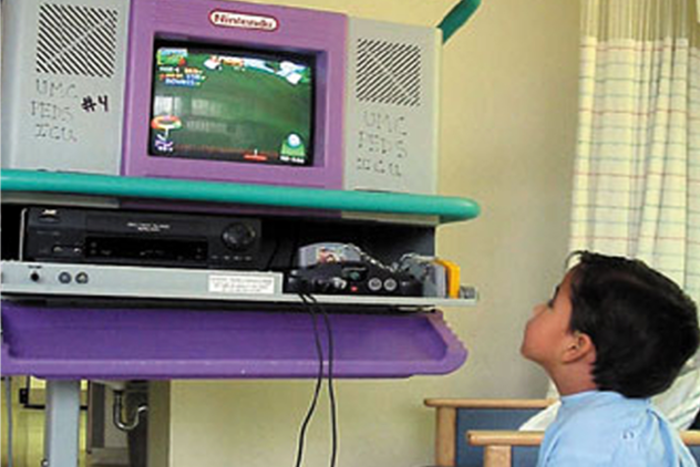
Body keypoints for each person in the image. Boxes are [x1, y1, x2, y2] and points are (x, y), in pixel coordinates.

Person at [521, 251, 700, 466]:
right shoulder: (640, 421)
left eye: (551, 304)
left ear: (576, 346)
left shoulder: (589, 444)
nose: (537, 309)